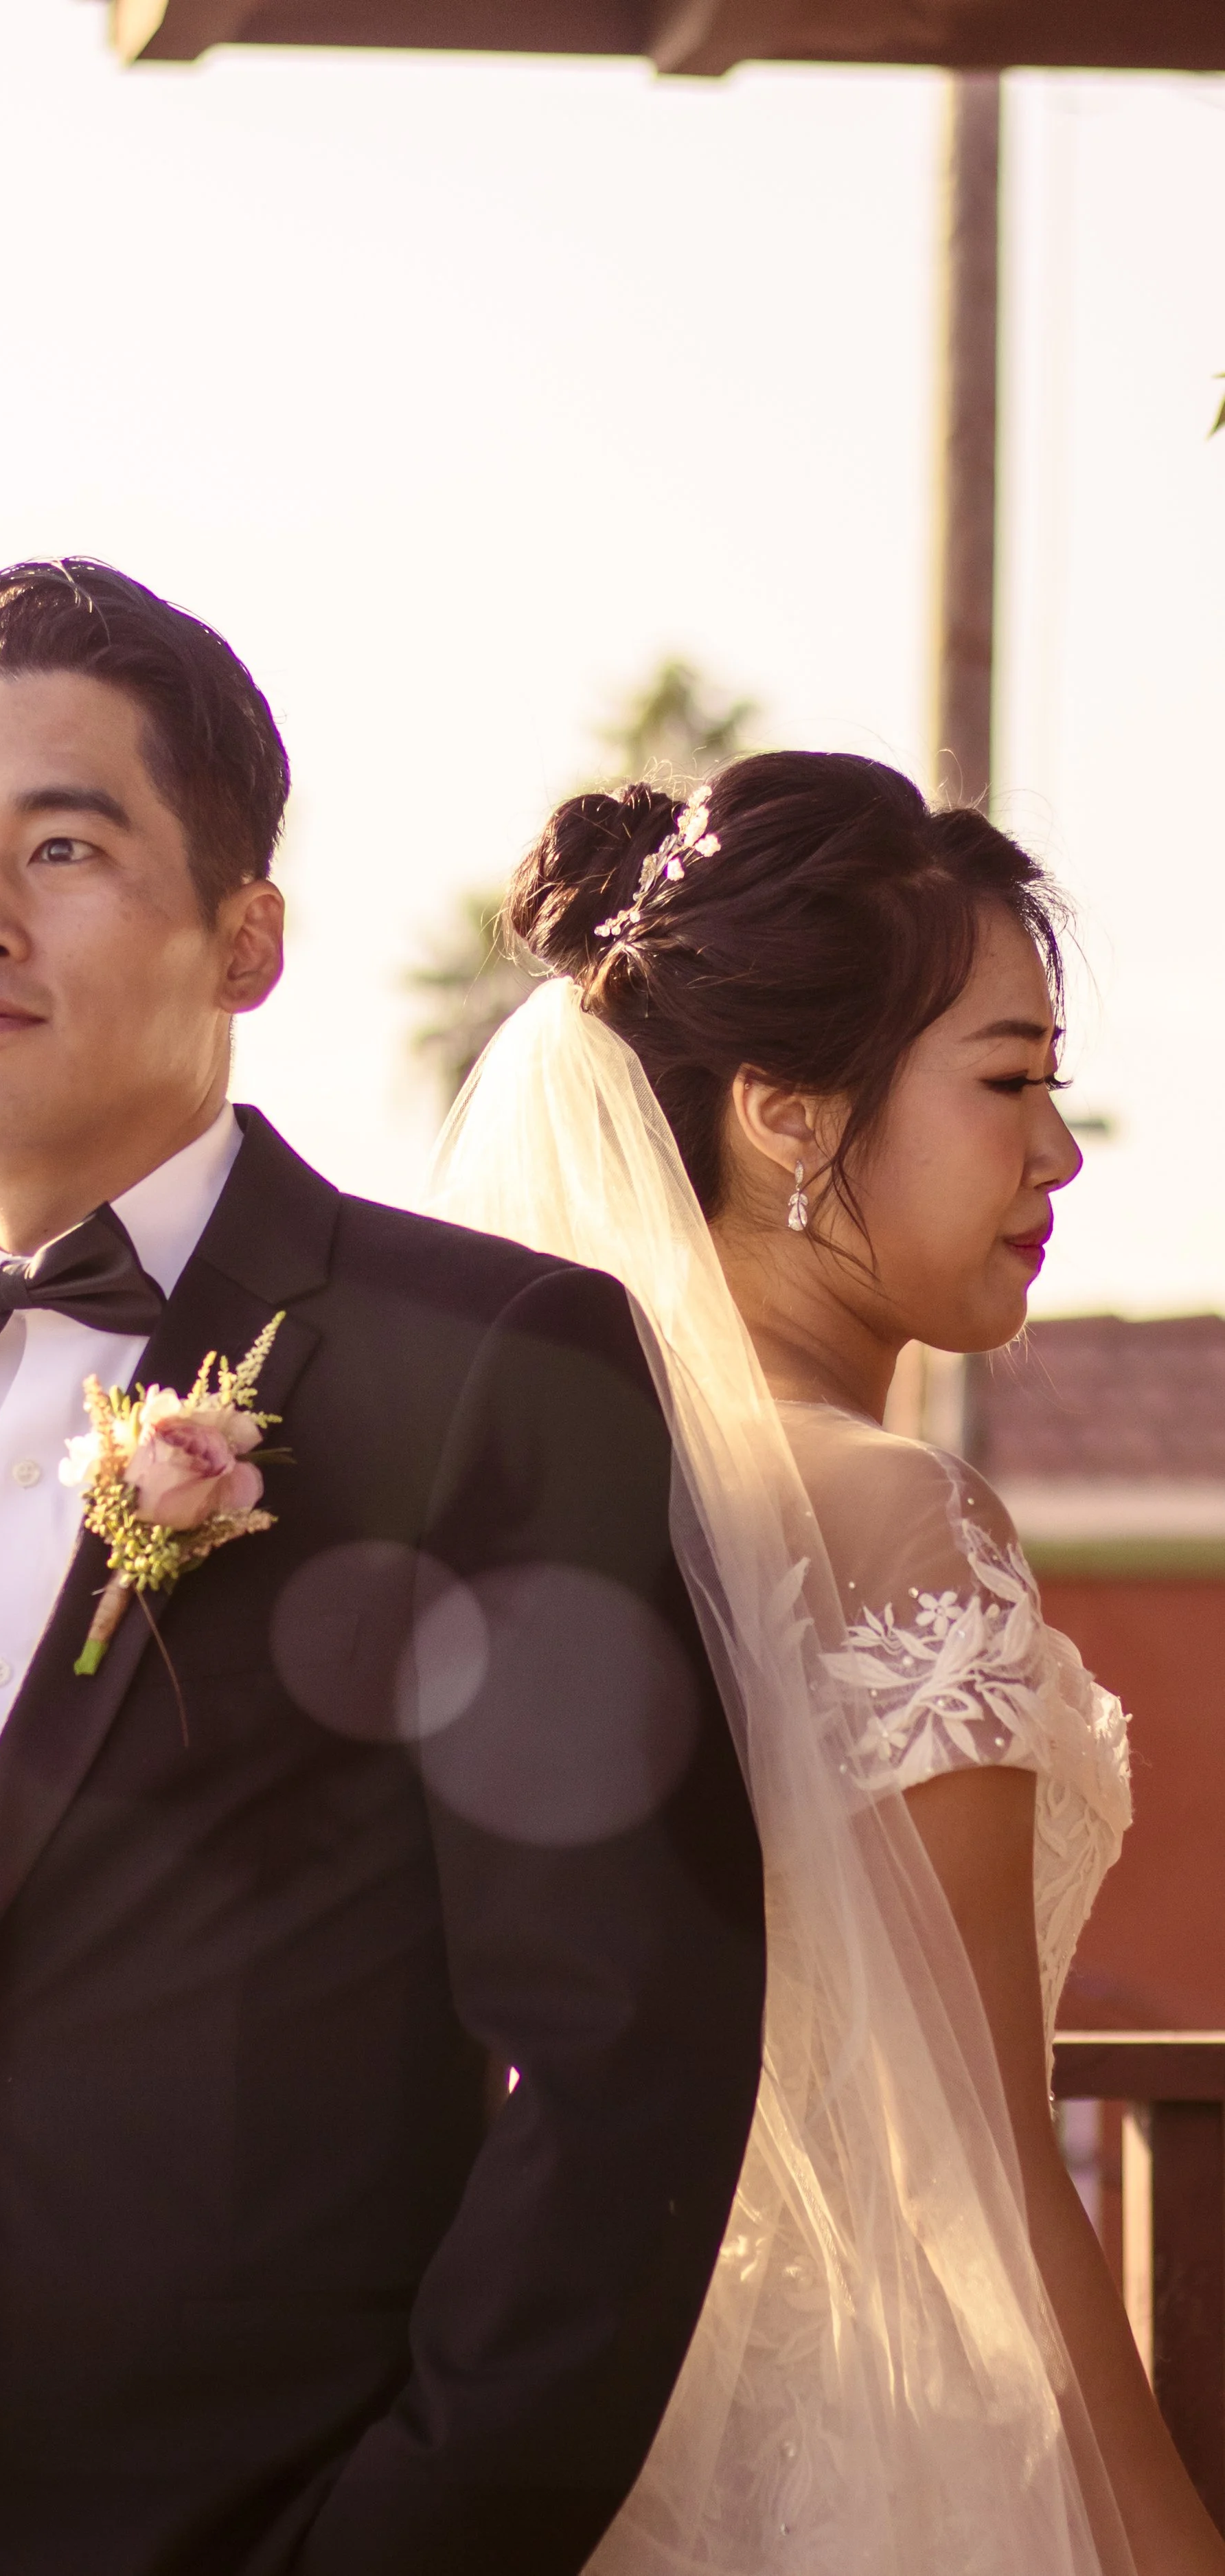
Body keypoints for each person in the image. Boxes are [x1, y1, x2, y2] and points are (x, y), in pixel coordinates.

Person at [0, 559, 765, 2576]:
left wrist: (406, 2539)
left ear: (246, 935)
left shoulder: (480, 1367)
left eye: (65, 844)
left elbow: (635, 2046)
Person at [428, 750, 1225, 2575]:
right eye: (1005, 1080)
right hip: (881, 2476)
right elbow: (994, 2184)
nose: (1055, 1150)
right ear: (789, 1112)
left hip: (593, 2458)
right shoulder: (897, 1519)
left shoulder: (562, 1504)